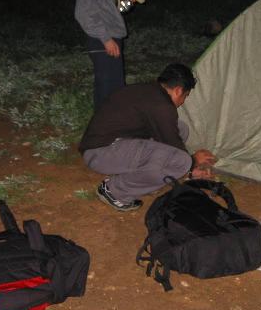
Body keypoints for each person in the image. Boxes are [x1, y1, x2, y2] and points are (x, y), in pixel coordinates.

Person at [78, 63, 218, 212]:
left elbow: (170, 139)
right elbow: (175, 148)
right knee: (181, 160)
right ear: (178, 90)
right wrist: (193, 161)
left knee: (180, 129)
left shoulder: (149, 91)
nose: (183, 101)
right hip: (101, 153)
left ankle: (146, 179)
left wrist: (190, 169)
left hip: (107, 146)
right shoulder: (161, 105)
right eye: (186, 96)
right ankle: (114, 191)